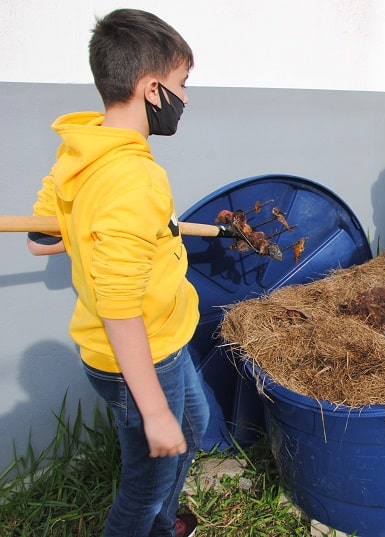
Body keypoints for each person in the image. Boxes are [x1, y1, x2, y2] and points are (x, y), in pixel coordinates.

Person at [26, 9, 209, 537]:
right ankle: (146, 523)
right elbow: (119, 306)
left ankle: (160, 526)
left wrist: (86, 225)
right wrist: (152, 410)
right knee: (146, 483)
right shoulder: (132, 179)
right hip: (143, 354)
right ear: (153, 88)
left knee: (192, 430)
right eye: (182, 83)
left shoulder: (83, 149)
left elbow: (42, 241)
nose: (186, 98)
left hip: (163, 340)